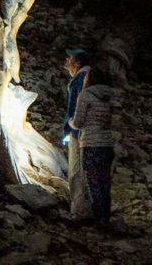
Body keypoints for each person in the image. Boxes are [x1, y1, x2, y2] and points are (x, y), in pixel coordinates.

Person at [70, 66, 119, 231]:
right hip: (107, 144)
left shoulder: (86, 95)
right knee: (105, 181)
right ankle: (106, 216)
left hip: (90, 143)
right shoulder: (111, 96)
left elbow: (78, 122)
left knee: (93, 182)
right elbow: (113, 122)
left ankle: (99, 220)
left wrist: (70, 122)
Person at [62, 47, 91, 220]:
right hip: (90, 132)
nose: (66, 61)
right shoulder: (89, 78)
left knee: (76, 170)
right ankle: (87, 208)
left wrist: (69, 129)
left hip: (79, 131)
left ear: (77, 62)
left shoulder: (80, 79)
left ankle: (79, 211)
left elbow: (74, 107)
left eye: (69, 58)